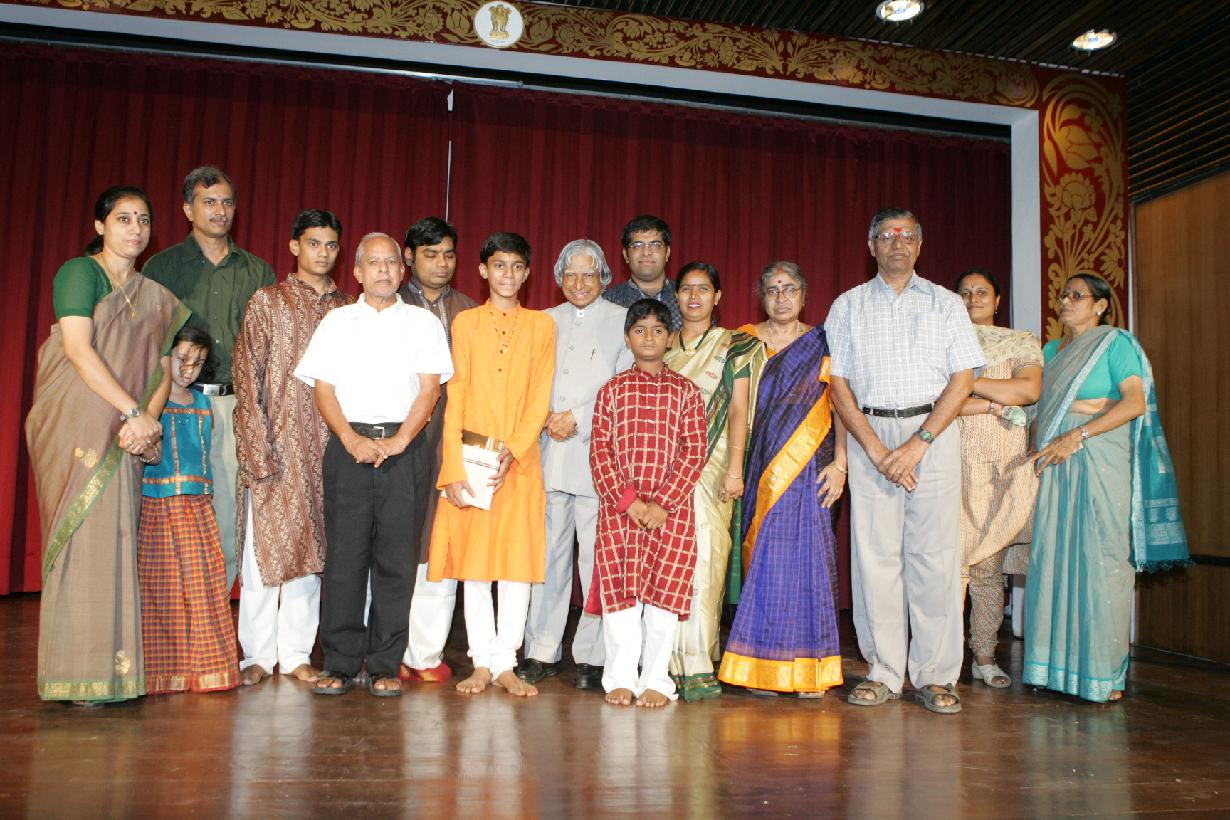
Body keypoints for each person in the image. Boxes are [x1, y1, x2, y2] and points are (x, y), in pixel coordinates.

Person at [26, 185, 189, 703]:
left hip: (127, 430)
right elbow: (77, 349)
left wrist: (148, 421)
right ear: (100, 226)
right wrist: (132, 411)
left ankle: (115, 674)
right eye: (123, 218)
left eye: (143, 219)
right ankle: (74, 673)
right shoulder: (81, 273)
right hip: (79, 418)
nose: (135, 228)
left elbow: (162, 371)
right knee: (83, 538)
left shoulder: (156, 296)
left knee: (118, 537)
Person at [826, 208, 985, 715]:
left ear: (920, 244)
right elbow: (838, 385)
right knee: (875, 559)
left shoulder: (946, 304)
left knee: (936, 559)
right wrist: (875, 450)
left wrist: (919, 441)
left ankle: (936, 676)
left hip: (932, 436)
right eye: (887, 236)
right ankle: (883, 671)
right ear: (871, 245)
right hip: (870, 435)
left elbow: (963, 380)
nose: (897, 243)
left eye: (907, 235)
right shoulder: (848, 306)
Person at [294, 232, 453, 697]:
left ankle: (385, 663)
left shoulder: (423, 323)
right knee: (345, 558)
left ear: (402, 271)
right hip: (349, 447)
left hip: (405, 449)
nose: (383, 270)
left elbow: (430, 390)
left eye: (391, 263)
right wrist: (350, 439)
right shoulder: (337, 322)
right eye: (373, 263)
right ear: (358, 271)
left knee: (397, 560)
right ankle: (341, 662)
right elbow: (323, 390)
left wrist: (401, 441)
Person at [1025, 273, 1188, 703]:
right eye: (1063, 295)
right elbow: (1040, 407)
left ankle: (1102, 675)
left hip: (1098, 454)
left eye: (1077, 295)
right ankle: (1055, 669)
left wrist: (1078, 433)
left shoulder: (1115, 344)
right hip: (1055, 463)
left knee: (1101, 558)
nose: (1066, 301)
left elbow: (1133, 402)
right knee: (1055, 556)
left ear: (1100, 306)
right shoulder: (1051, 351)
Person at [427, 232, 555, 698]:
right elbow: (456, 394)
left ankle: (507, 662)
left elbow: (540, 396)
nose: (507, 274)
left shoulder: (541, 326)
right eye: (499, 265)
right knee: (476, 565)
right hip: (473, 455)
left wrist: (514, 449)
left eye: (517, 266)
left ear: (527, 273)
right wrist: (453, 466)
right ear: (483, 270)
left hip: (519, 461)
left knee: (516, 566)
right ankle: (481, 661)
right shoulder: (466, 323)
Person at [231, 210, 353, 687]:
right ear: (294, 246)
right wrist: (256, 449)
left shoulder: (349, 309)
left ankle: (297, 653)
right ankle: (257, 655)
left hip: (330, 450)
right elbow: (247, 377)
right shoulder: (268, 302)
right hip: (276, 447)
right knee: (261, 553)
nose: (323, 253)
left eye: (331, 245)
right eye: (314, 243)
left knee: (311, 554)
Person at [718, 262, 847, 698]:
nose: (781, 297)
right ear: (761, 296)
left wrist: (841, 464)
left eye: (789, 289)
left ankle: (811, 671)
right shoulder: (744, 340)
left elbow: (842, 404)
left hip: (812, 466)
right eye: (772, 290)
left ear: (804, 295)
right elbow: (734, 407)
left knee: (810, 560)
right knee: (766, 561)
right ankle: (760, 666)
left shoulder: (823, 342)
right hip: (759, 464)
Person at [144, 166, 276, 591]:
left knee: (229, 508)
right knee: (173, 505)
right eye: (209, 202)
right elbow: (147, 339)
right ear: (188, 209)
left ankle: (214, 606)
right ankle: (170, 604)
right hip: (174, 403)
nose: (220, 211)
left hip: (235, 405)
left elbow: (271, 347)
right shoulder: (161, 267)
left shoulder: (257, 272)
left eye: (227, 202)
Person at [516, 239, 631, 690]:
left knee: (596, 562)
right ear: (558, 278)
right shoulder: (544, 320)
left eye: (589, 274)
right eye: (570, 274)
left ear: (604, 277)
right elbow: (526, 382)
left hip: (597, 457)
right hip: (546, 453)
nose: (579, 283)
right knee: (547, 558)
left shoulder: (623, 320)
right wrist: (545, 417)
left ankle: (592, 655)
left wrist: (577, 417)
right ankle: (541, 649)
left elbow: (623, 386)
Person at [589, 299, 708, 707]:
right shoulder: (611, 391)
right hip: (620, 515)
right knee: (621, 600)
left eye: (658, 330)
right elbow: (600, 454)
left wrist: (662, 504)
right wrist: (630, 504)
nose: (649, 338)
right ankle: (620, 678)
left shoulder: (686, 392)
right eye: (640, 330)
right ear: (627, 338)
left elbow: (694, 452)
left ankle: (656, 679)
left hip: (670, 516)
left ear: (671, 338)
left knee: (663, 600)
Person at [663, 262, 765, 701]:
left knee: (705, 559)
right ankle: (663, 661)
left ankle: (697, 662)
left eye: (703, 289)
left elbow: (739, 409)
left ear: (717, 296)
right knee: (665, 563)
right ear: (676, 296)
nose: (694, 297)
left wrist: (735, 468)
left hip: (712, 465)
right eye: (686, 289)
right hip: (661, 469)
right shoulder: (662, 343)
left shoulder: (734, 346)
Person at [953, 268, 1043, 689]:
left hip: (1002, 465)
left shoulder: (1021, 341)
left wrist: (970, 384)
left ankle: (984, 656)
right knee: (950, 567)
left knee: (988, 566)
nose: (973, 298)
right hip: (951, 461)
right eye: (965, 292)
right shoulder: (946, 342)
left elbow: (1027, 392)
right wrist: (994, 399)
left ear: (998, 300)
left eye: (982, 292)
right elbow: (938, 403)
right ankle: (943, 660)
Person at [397, 217, 478, 685]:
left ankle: (425, 653)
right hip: (398, 437)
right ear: (409, 257)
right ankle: (386, 646)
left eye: (448, 254)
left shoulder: (469, 312)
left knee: (441, 543)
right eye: (430, 255)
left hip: (452, 441)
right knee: (392, 541)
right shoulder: (390, 306)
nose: (441, 264)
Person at [137, 326, 239, 694]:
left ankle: (207, 668)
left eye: (198, 363)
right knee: (161, 585)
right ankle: (165, 671)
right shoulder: (153, 403)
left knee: (203, 584)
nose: (188, 370)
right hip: (159, 503)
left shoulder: (202, 403)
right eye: (182, 359)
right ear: (166, 358)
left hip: (196, 504)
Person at [603, 215, 682, 332]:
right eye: (637, 245)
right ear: (625, 255)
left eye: (655, 245)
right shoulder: (608, 301)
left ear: (667, 253)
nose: (646, 252)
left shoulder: (686, 298)